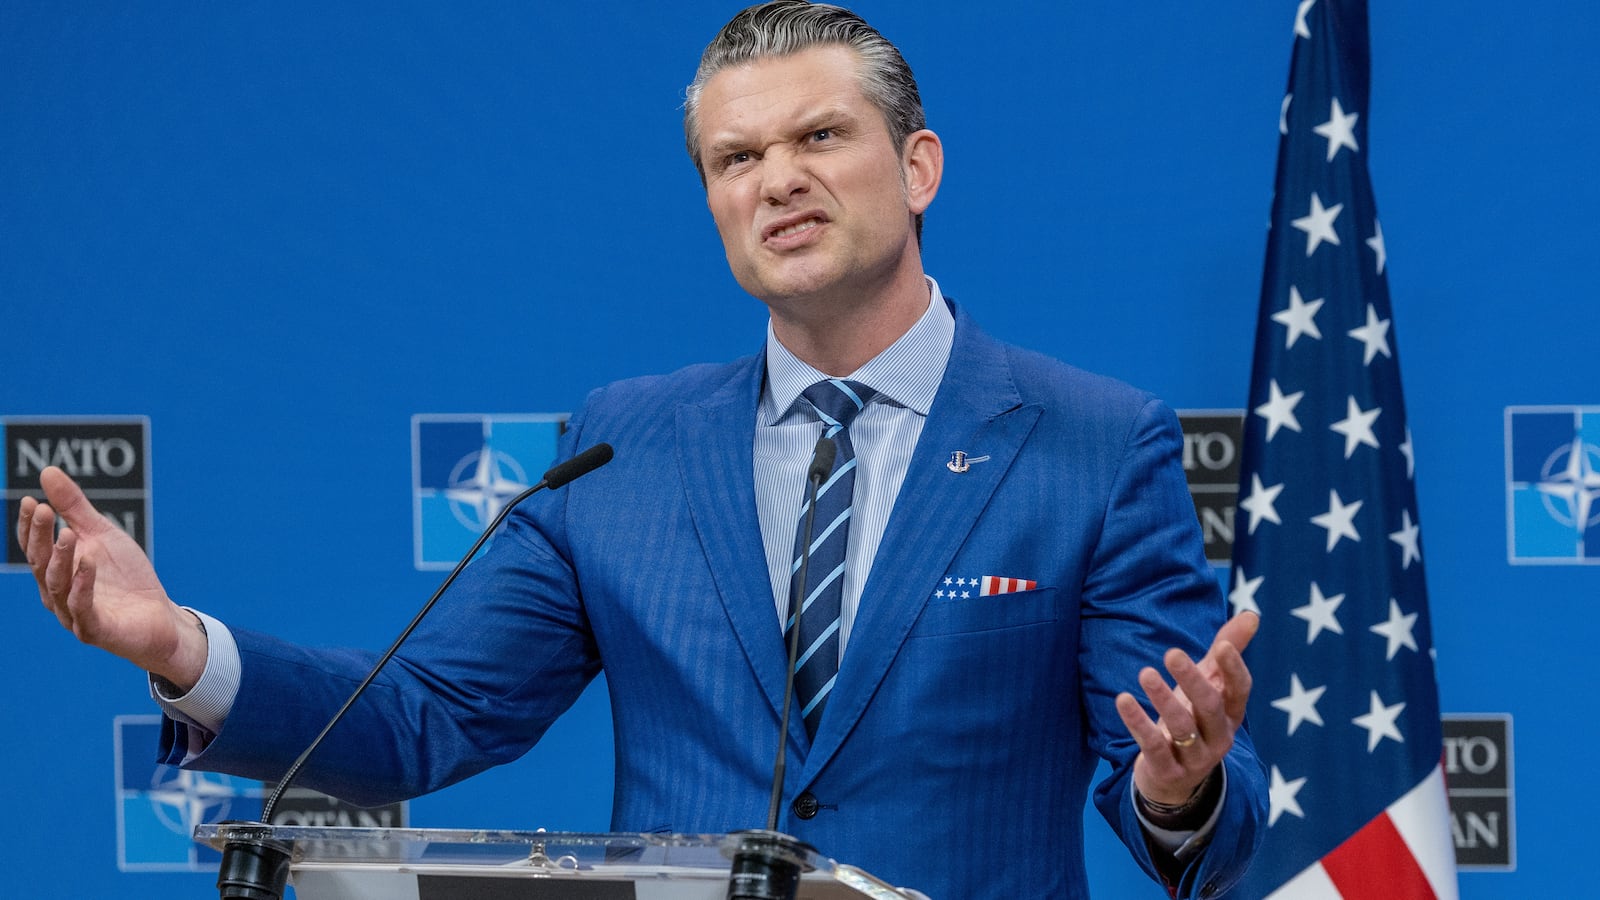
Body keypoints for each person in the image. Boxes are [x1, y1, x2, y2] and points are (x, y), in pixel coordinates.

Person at [16, 2, 1266, 897]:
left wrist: (1178, 787)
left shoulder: (1095, 446)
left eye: (819, 137)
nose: (776, 179)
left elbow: (1183, 799)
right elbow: (416, 718)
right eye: (736, 158)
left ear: (918, 165)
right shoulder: (625, 444)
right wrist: (178, 645)